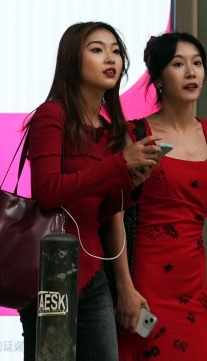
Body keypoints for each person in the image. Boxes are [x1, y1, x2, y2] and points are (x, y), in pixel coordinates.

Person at [19, 22, 162, 361]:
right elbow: (48, 191)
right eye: (97, 49)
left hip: (94, 271)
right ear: (72, 60)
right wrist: (117, 166)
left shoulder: (110, 131)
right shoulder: (51, 115)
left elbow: (105, 211)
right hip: (49, 274)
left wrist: (133, 181)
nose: (110, 58)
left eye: (116, 51)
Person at [112, 32, 207, 359]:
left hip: (193, 284)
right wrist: (125, 286)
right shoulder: (136, 133)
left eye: (197, 63)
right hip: (146, 281)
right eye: (178, 64)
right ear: (158, 78)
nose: (191, 72)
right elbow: (116, 212)